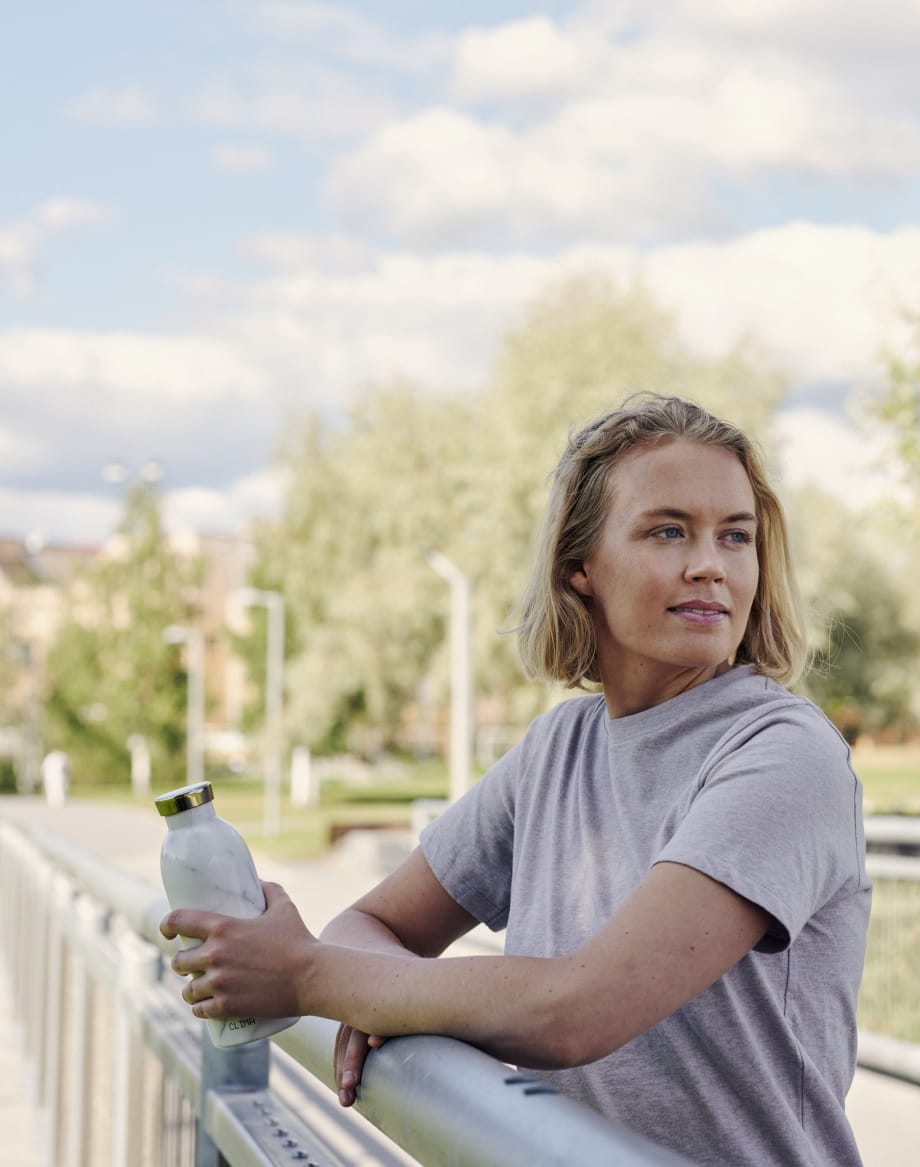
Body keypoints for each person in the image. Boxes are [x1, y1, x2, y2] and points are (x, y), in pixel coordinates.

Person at [161, 394, 873, 1166]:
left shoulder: (782, 752)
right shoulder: (558, 747)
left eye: (736, 536)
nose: (710, 563)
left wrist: (313, 978)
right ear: (580, 569)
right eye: (669, 530)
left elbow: (580, 1010)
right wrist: (371, 987)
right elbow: (372, 927)